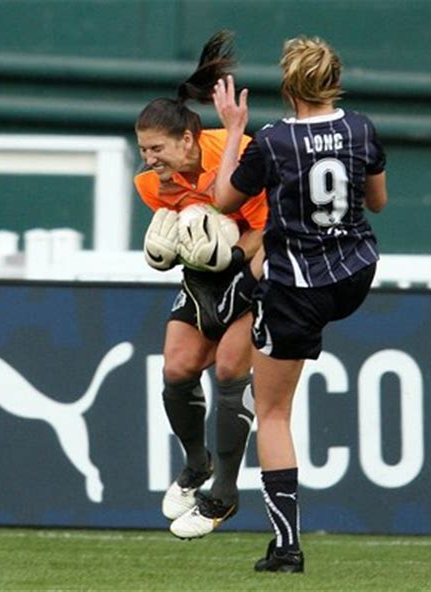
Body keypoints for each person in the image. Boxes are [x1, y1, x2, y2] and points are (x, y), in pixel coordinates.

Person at [212, 36, 388, 573]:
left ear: (289, 88)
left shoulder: (273, 141)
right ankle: (252, 295)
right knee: (264, 257)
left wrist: (235, 130)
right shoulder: (361, 128)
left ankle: (286, 547)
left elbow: (223, 202)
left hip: (299, 290)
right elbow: (376, 202)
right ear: (334, 78)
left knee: (273, 412)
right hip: (355, 275)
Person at [133, 31, 268, 539]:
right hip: (204, 279)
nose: (148, 158)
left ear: (187, 140)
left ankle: (225, 494)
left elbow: (267, 226)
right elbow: (189, 240)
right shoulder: (149, 184)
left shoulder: (240, 153)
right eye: (143, 148)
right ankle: (196, 464)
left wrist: (233, 256)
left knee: (233, 368)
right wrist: (169, 252)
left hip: (254, 267)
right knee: (176, 367)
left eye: (157, 148)